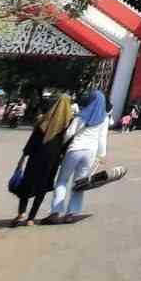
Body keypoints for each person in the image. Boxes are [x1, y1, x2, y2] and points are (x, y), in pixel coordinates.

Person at [46, 88, 108, 224]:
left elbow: (69, 133)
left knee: (62, 181)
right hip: (90, 153)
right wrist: (101, 156)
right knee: (79, 184)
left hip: (75, 149)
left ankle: (55, 212)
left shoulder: (82, 115)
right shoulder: (104, 118)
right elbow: (102, 139)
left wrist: (61, 146)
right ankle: (71, 214)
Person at [13, 95, 72, 227]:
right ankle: (31, 218)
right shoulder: (67, 124)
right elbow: (67, 144)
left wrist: (22, 158)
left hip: (36, 156)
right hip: (53, 159)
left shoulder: (43, 120)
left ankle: (21, 213)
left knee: (27, 183)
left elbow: (32, 141)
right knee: (42, 187)